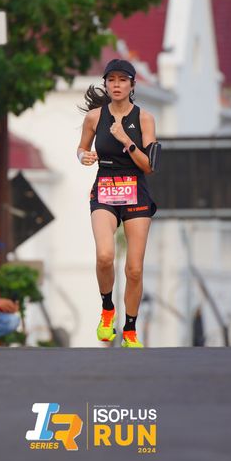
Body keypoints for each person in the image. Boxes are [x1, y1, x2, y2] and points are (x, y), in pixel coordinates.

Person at [77, 58, 157, 348]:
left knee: (134, 269)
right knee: (105, 255)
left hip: (135, 190)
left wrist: (126, 140)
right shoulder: (94, 117)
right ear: (106, 84)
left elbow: (149, 165)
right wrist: (83, 157)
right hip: (105, 188)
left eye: (123, 80)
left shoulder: (144, 118)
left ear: (132, 85)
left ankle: (131, 330)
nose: (117, 85)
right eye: (111, 80)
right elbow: (81, 148)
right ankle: (107, 309)